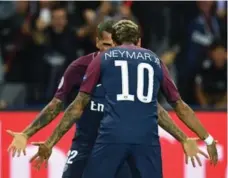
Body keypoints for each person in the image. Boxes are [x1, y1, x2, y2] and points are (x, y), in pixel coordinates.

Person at [7, 20, 216, 178]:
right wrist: (28, 134)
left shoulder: (110, 60)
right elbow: (58, 104)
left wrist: (182, 137)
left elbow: (153, 108)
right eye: (105, 45)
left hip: (111, 141)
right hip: (97, 144)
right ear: (97, 42)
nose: (111, 50)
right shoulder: (81, 67)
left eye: (112, 44)